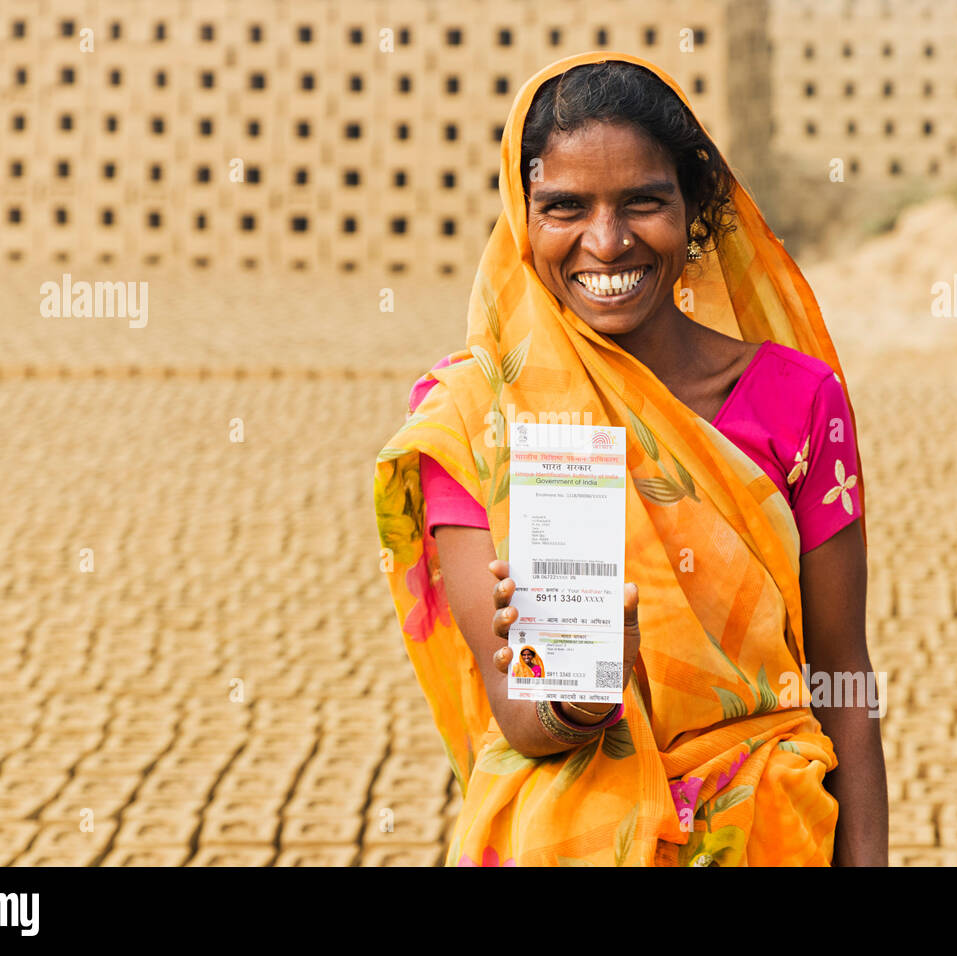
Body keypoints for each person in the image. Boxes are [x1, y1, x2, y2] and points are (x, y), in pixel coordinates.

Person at [374, 51, 887, 866]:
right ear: (522, 218)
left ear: (694, 208)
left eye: (642, 202)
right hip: (567, 840)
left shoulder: (799, 401)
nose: (606, 243)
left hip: (770, 831)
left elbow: (843, 675)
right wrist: (581, 693)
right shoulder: (476, 419)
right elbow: (519, 718)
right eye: (564, 207)